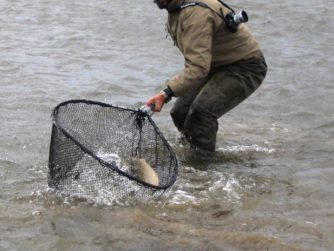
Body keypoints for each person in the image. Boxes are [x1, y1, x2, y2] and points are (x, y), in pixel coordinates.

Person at [146, 0, 268, 152]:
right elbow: (198, 62)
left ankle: (204, 166)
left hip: (245, 66)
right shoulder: (177, 8)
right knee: (180, 112)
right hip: (214, 64)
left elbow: (197, 67)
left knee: (201, 114)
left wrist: (165, 94)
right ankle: (193, 148)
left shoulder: (195, 14)